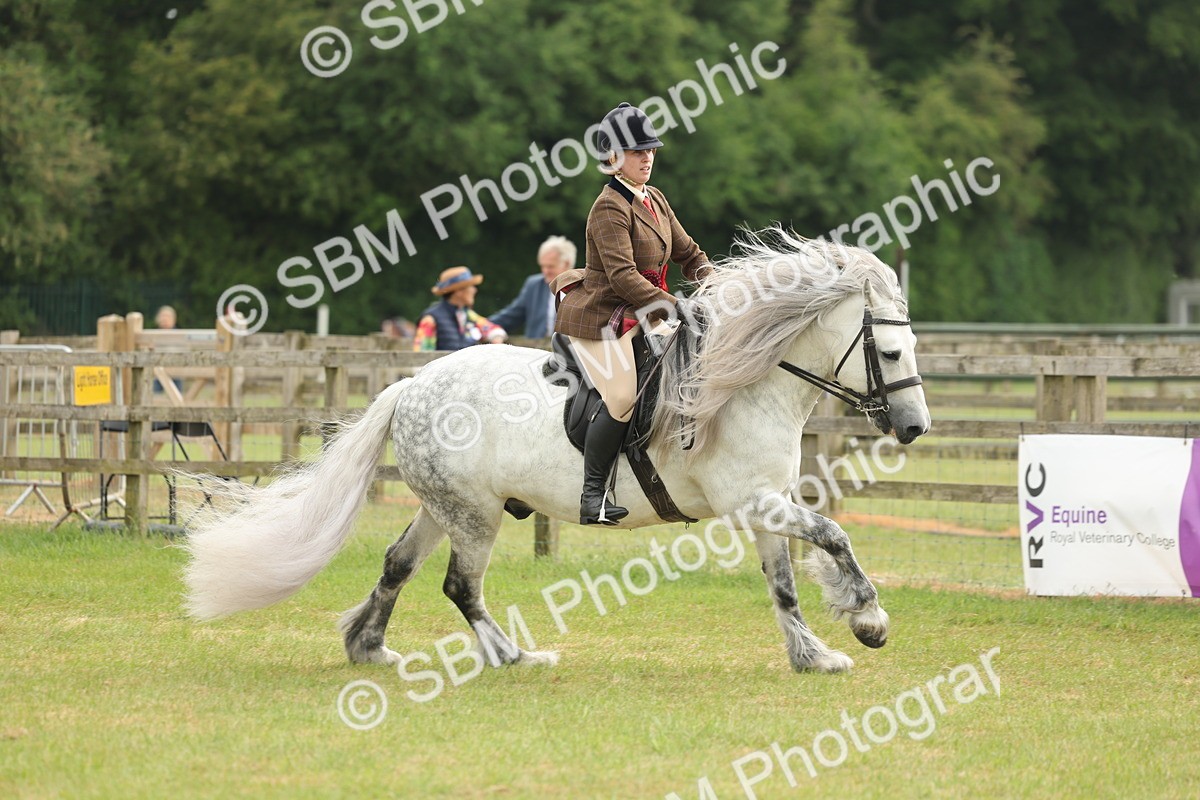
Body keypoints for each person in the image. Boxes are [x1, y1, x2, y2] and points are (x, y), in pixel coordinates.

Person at [554, 102, 711, 525]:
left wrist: (720, 287)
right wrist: (678, 306)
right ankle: (593, 498)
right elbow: (623, 277)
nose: (647, 158)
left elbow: (688, 253)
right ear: (613, 158)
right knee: (622, 398)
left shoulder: (654, 200)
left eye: (651, 150)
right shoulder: (608, 207)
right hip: (602, 319)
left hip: (641, 316)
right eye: (637, 151)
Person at [488, 236, 577, 338]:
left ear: (566, 264)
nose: (545, 271)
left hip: (571, 351)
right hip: (537, 350)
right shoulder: (534, 286)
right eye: (542, 266)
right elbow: (511, 316)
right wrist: (482, 325)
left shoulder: (582, 288)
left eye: (550, 266)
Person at [413, 267, 507, 351]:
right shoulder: (430, 320)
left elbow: (491, 329)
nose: (475, 290)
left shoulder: (468, 315)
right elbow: (421, 356)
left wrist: (497, 338)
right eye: (471, 286)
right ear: (459, 291)